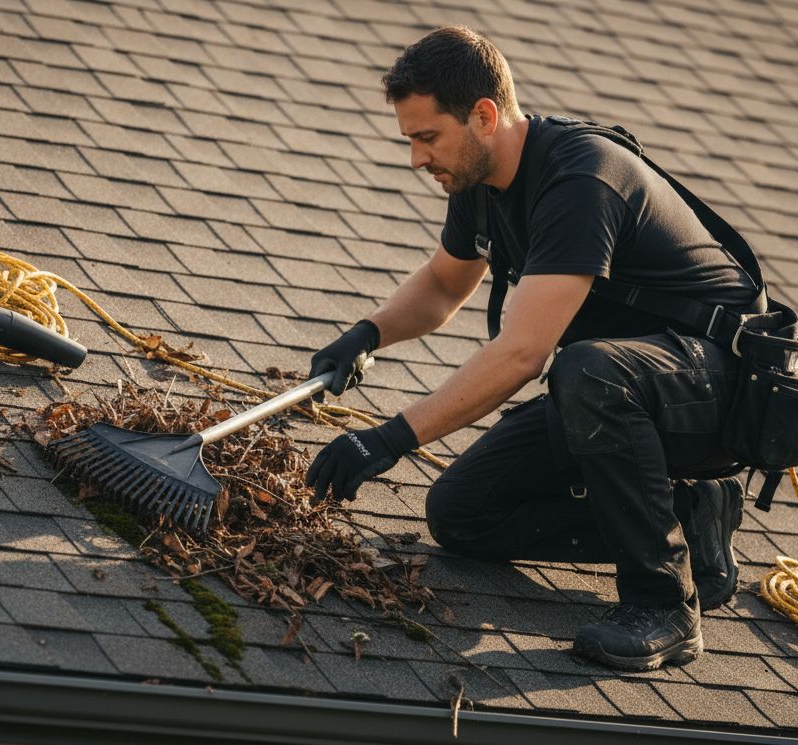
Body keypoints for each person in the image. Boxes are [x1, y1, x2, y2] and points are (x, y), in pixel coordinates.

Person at [303, 26, 757, 671]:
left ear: (484, 116)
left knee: (587, 366)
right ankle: (686, 511)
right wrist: (366, 335)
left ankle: (663, 606)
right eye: (409, 139)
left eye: (426, 137)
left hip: (717, 390)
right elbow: (441, 284)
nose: (416, 158)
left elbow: (523, 355)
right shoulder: (480, 187)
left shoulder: (582, 178)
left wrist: (385, 441)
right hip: (616, 391)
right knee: (463, 514)